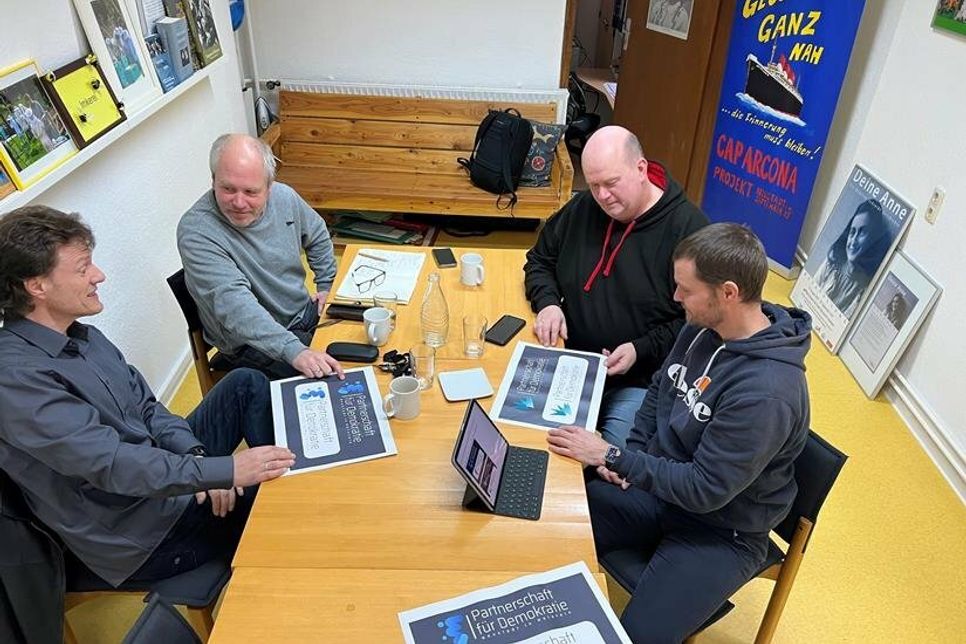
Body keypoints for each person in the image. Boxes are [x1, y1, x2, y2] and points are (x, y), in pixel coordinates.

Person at [0, 206, 296, 588]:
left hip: (160, 477)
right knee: (274, 498)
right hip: (146, 536)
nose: (98, 275)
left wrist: (201, 460)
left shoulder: (83, 336)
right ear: (36, 286)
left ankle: (287, 475)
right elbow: (114, 465)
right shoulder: (16, 379)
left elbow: (147, 409)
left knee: (246, 383)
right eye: (83, 268)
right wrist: (226, 472)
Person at [546, 223, 811, 643]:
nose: (676, 298)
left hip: (722, 531)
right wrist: (630, 460)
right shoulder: (702, 326)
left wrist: (613, 457)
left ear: (728, 292)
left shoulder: (767, 394)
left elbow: (705, 489)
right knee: (544, 531)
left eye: (685, 290)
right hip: (662, 493)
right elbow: (659, 390)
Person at [524, 125, 708, 447]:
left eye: (611, 183)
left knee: (614, 470)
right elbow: (540, 259)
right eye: (593, 185)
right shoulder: (586, 207)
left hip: (639, 381)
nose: (602, 196)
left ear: (641, 169)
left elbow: (698, 325)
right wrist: (549, 302)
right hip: (569, 359)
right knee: (525, 438)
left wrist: (641, 348)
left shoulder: (689, 233)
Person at [178, 133, 345, 380]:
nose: (238, 202)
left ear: (269, 187)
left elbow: (317, 233)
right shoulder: (196, 231)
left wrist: (326, 284)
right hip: (250, 343)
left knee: (373, 339)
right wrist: (294, 350)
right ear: (213, 180)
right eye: (227, 189)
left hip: (301, 314)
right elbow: (236, 307)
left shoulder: (284, 196)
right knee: (334, 384)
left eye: (251, 192)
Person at [814, 198, 891, 317]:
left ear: (873, 239)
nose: (853, 241)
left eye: (862, 232)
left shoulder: (867, 289)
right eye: (852, 232)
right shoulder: (832, 261)